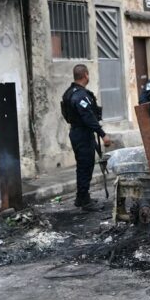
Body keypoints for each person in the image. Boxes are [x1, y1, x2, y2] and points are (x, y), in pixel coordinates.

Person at [62, 64, 111, 211]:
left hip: (79, 132)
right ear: (86, 75)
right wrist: (102, 134)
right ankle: (84, 201)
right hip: (82, 133)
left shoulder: (69, 92)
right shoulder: (80, 95)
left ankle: (82, 197)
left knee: (84, 166)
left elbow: (67, 114)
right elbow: (88, 116)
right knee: (85, 166)